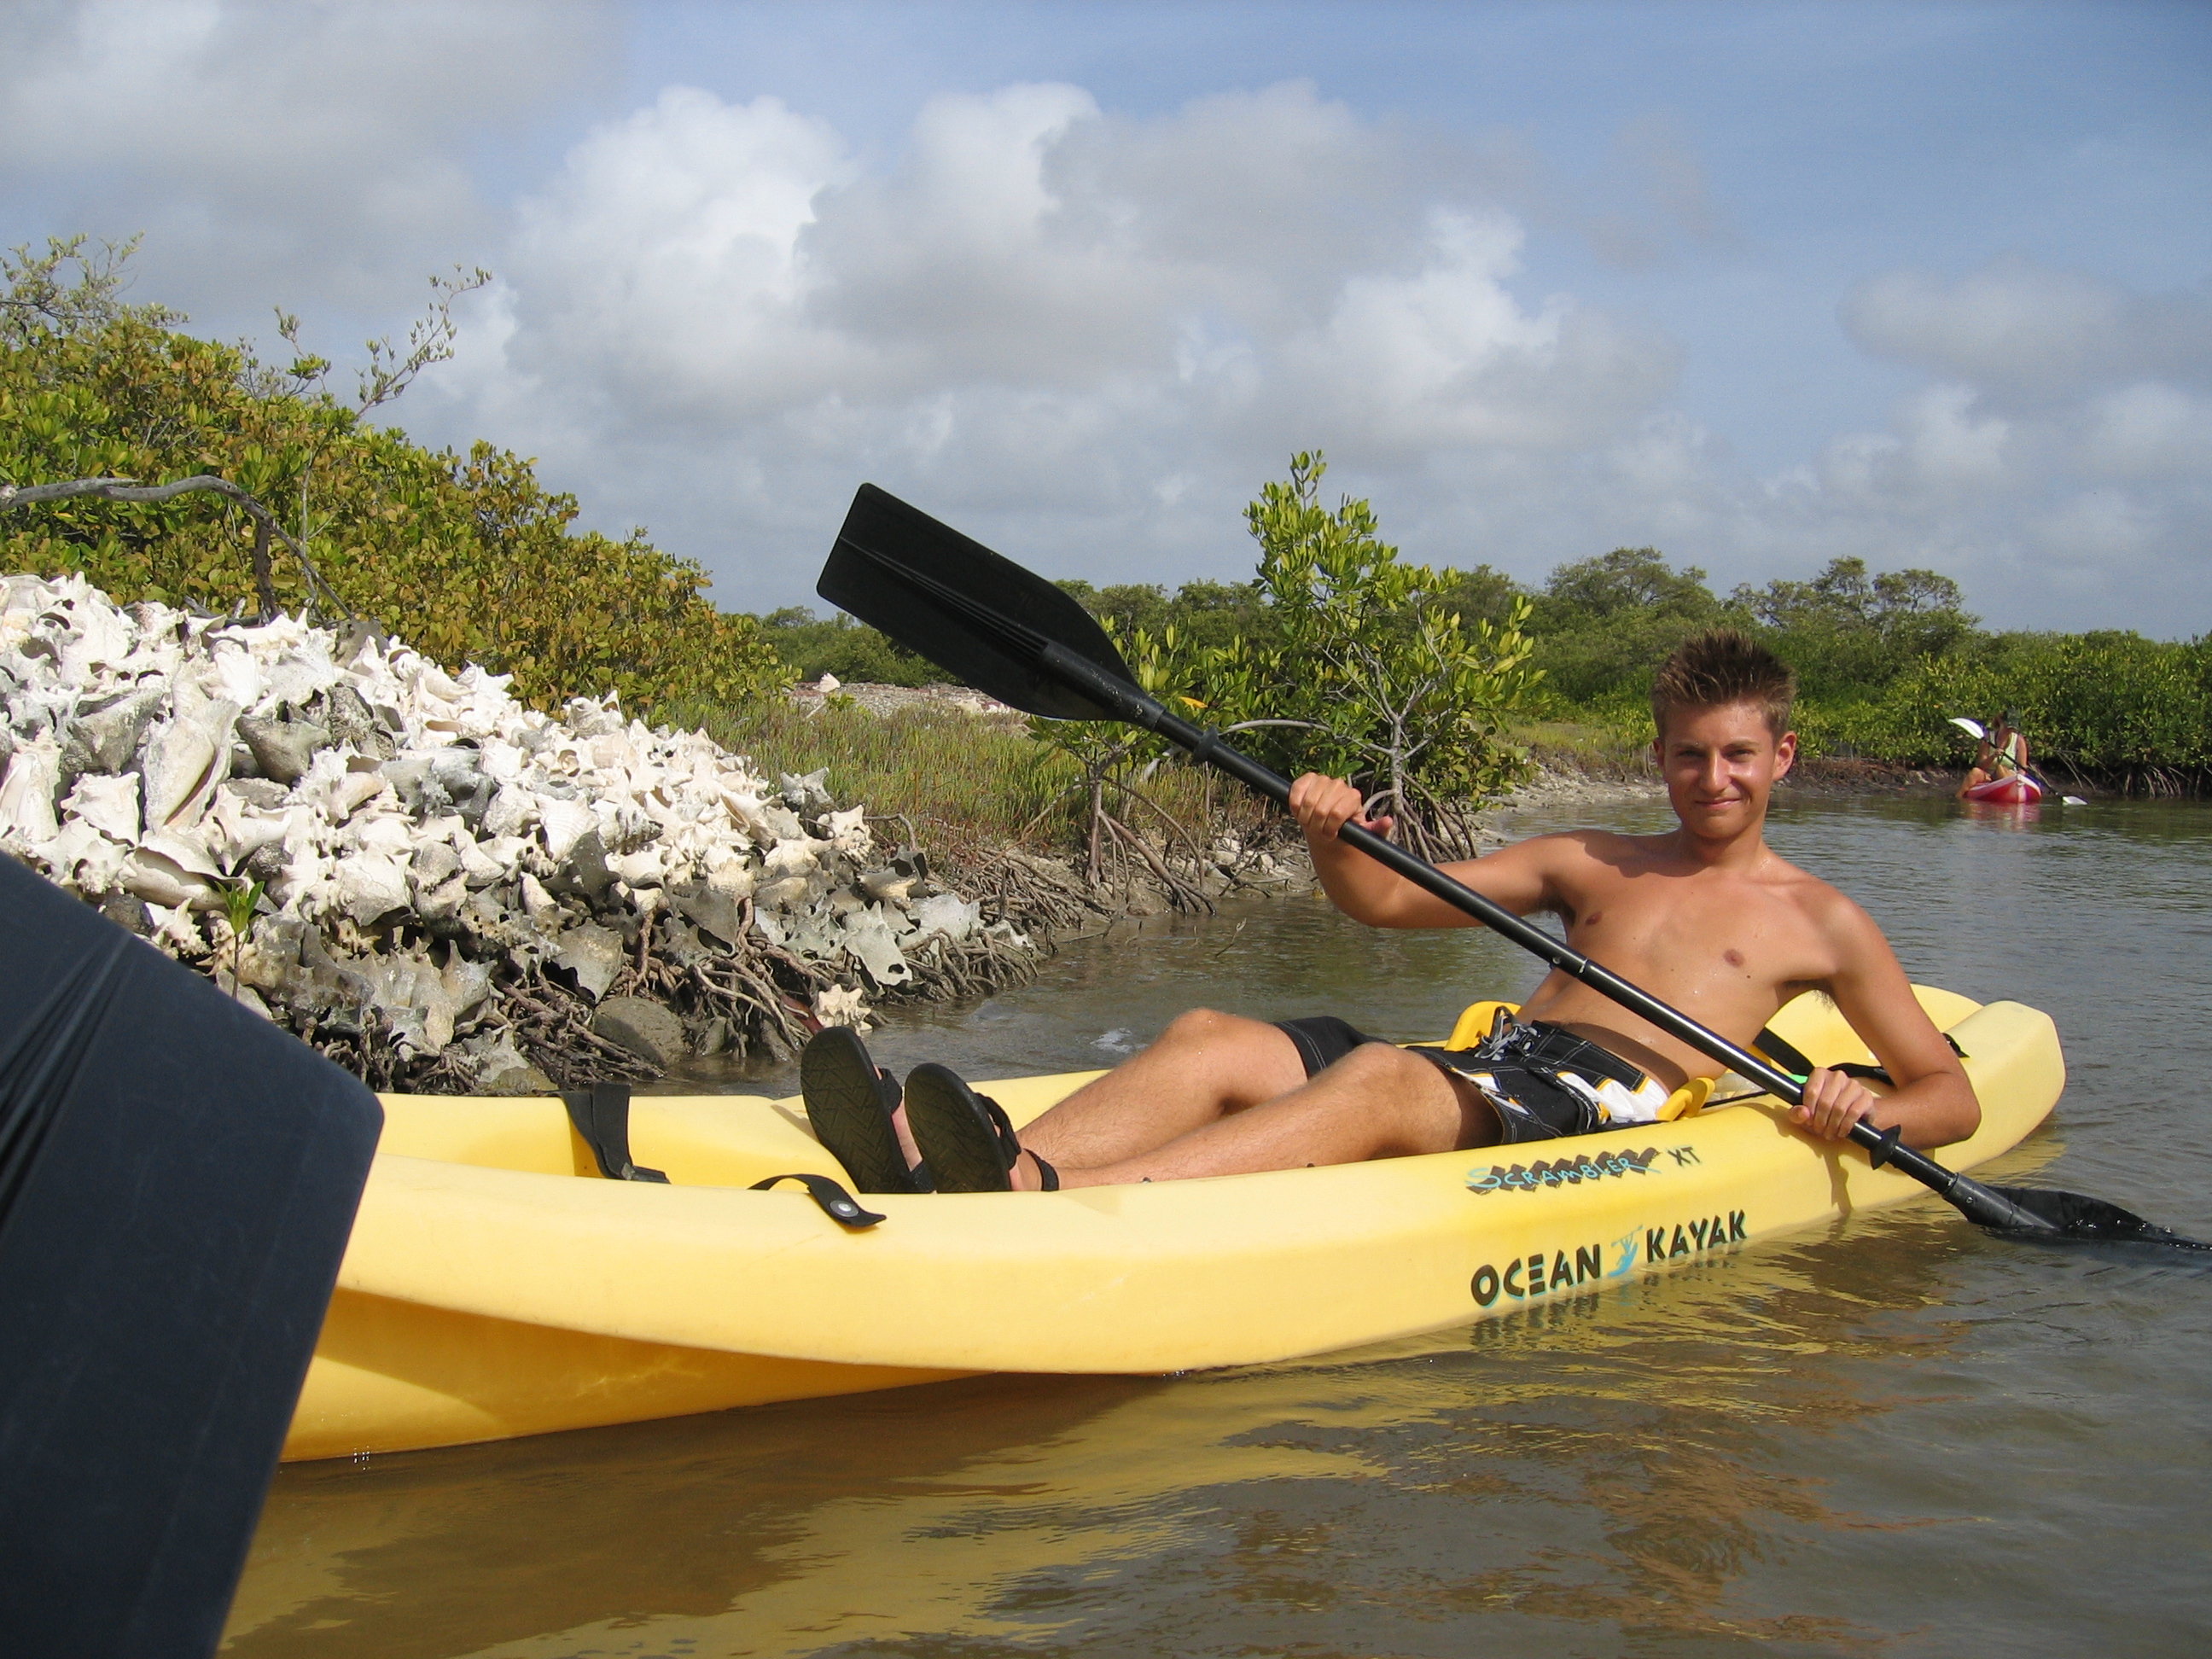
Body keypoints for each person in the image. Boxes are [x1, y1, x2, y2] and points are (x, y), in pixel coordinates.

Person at [800, 629, 1981, 1195]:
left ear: (1783, 755)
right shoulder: (1593, 857)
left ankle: (1040, 1198)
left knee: (1377, 1084)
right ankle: (966, 1162)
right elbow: (1384, 904)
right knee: (1211, 1036)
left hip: (1608, 1107)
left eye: (1736, 756)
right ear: (1659, 757)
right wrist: (1329, 834)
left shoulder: (1822, 922)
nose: (1710, 780)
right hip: (1502, 1060)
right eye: (1687, 756)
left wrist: (1859, 1099)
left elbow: (1951, 1095)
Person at [1958, 708, 2030, 799]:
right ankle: (1959, 797)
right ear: (2001, 722)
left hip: (2009, 775)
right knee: (1975, 772)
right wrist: (1993, 756)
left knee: (2000, 769)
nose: (2010, 730)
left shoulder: (2019, 740)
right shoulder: (1988, 739)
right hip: (1989, 775)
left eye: (2012, 728)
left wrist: (2020, 779)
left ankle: (2008, 793)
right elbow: (1981, 766)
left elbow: (2022, 767)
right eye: (2008, 727)